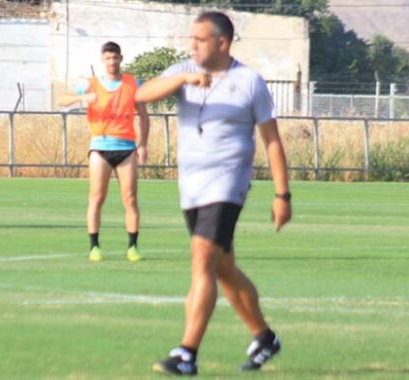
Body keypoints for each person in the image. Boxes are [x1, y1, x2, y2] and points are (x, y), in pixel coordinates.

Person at [135, 12, 292, 375]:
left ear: (222, 42)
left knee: (202, 258)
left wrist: (282, 195)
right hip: (191, 186)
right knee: (223, 268)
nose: (193, 46)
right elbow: (139, 95)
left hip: (228, 184)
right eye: (191, 39)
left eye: (200, 40)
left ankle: (186, 353)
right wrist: (182, 78)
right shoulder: (183, 70)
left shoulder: (249, 81)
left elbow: (272, 140)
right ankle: (264, 337)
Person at [57, 41, 150, 262]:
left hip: (126, 148)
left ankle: (132, 247)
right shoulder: (90, 84)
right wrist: (81, 98)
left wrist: (143, 144)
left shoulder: (133, 82)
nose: (112, 62)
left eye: (115, 58)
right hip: (100, 147)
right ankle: (94, 246)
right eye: (108, 58)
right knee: (97, 197)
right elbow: (61, 100)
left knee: (130, 198)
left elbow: (144, 116)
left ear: (121, 58)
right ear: (102, 60)